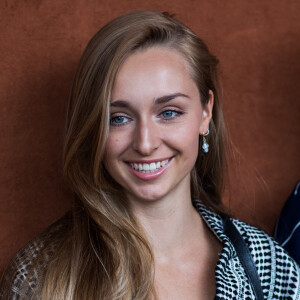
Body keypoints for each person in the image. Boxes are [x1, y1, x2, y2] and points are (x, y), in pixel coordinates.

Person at [0, 10, 299, 300]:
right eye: (118, 118)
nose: (145, 143)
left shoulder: (266, 267)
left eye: (169, 112)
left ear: (205, 112)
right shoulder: (40, 274)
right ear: (93, 127)